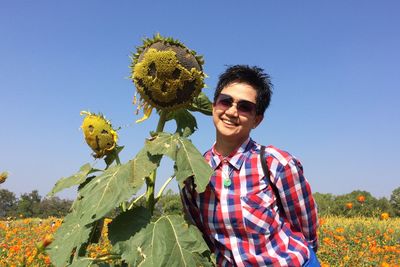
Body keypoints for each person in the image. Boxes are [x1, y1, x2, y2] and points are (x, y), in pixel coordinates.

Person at [181, 65, 319, 266]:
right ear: (214, 106)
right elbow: (199, 235)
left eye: (245, 107)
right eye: (225, 101)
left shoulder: (276, 164)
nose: (232, 111)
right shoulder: (193, 171)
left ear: (257, 120)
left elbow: (306, 228)